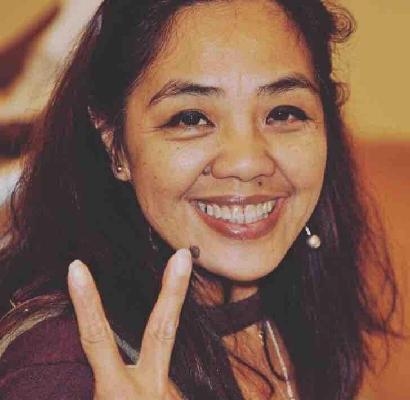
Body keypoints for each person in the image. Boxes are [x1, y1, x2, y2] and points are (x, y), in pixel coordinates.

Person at [0, 0, 398, 399]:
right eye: (190, 118)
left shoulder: (301, 306)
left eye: (283, 113)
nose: (247, 162)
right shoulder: (63, 370)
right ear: (115, 145)